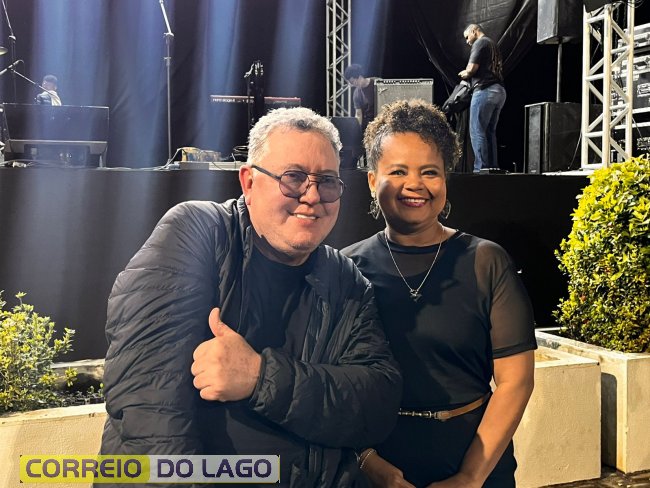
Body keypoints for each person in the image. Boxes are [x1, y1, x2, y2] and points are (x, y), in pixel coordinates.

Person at [98, 106, 402, 487]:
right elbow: (150, 410)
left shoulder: (345, 280)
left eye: (326, 181)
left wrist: (260, 377)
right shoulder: (196, 235)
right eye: (293, 177)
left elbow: (376, 405)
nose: (312, 195)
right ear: (249, 182)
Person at [343, 99, 536, 487]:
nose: (415, 184)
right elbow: (335, 381)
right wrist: (366, 460)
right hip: (377, 464)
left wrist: (469, 477)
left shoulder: (485, 261)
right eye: (398, 171)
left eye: (429, 171)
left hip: (476, 463)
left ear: (445, 179)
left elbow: (516, 380)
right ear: (372, 180)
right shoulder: (346, 267)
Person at [458, 24, 505, 173]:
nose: (467, 42)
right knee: (489, 132)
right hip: (499, 91)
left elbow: (471, 69)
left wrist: (464, 73)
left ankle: (481, 170)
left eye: (467, 37)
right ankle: (492, 168)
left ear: (474, 31)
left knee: (477, 131)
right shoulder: (493, 45)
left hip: (485, 90)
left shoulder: (480, 43)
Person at [344, 64, 377, 132]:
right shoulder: (356, 93)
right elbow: (358, 114)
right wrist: (357, 130)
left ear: (359, 76)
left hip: (382, 123)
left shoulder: (378, 83)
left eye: (352, 82)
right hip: (369, 127)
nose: (352, 85)